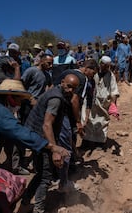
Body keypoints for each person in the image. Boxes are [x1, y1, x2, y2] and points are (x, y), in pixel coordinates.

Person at [0, 79, 69, 213]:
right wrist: (52, 147)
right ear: (10, 97)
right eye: (19, 100)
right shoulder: (0, 112)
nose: (20, 104)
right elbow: (21, 134)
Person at [20, 74, 79, 213]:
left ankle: (25, 201)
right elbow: (47, 125)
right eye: (69, 86)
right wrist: (55, 150)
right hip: (41, 138)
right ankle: (38, 209)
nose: (70, 90)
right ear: (62, 82)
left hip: (36, 136)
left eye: (74, 88)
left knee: (41, 173)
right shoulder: (56, 99)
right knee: (46, 176)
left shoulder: (55, 92)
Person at [81, 56, 119, 149]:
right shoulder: (93, 73)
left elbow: (114, 91)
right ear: (100, 63)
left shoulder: (111, 75)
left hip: (103, 103)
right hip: (91, 101)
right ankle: (86, 141)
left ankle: (100, 143)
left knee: (102, 122)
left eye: (107, 66)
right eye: (104, 65)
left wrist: (113, 104)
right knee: (88, 120)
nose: (105, 67)